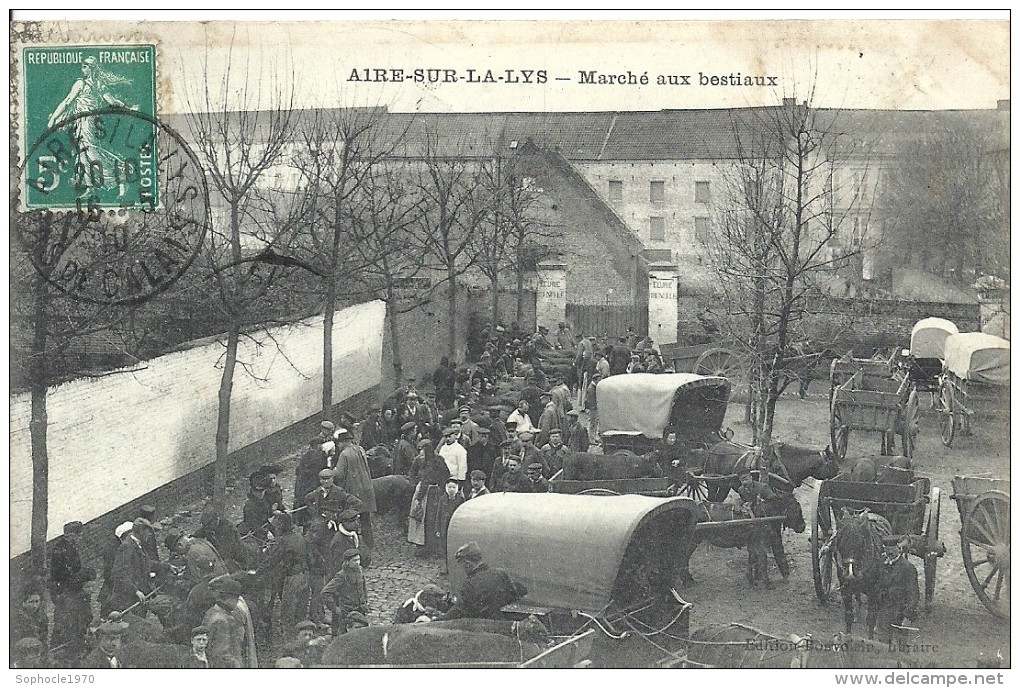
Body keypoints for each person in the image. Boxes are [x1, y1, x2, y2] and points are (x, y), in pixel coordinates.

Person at [441, 542, 528, 621]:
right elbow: (522, 590)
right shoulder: (500, 573)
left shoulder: (469, 584)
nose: (463, 569)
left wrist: (435, 621)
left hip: (480, 628)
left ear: (467, 564)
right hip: (500, 622)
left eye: (462, 565)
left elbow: (458, 611)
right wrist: (499, 602)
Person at [49, 520, 95, 659]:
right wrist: (80, 580)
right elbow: (64, 575)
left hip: (69, 589)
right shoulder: (62, 550)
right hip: (64, 591)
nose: (80, 539)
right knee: (66, 622)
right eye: (78, 535)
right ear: (71, 535)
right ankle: (61, 651)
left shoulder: (69, 547)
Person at [259, 512, 310, 632]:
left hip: (293, 577)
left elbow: (272, 561)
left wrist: (258, 572)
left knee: (288, 611)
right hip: (305, 576)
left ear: (281, 526)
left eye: (277, 526)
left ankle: (289, 639)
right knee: (301, 609)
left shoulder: (284, 541)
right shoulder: (299, 537)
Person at [333, 427, 378, 555]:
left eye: (339, 443)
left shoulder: (344, 454)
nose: (339, 446)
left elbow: (340, 475)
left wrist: (333, 470)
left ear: (343, 442)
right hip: (366, 489)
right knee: (365, 519)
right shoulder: (360, 449)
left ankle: (354, 546)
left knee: (352, 519)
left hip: (354, 491)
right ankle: (369, 544)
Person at [869, 536, 921, 644]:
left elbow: (913, 594)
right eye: (887, 549)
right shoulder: (881, 564)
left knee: (900, 645)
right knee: (883, 644)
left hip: (900, 612)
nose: (890, 552)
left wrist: (908, 616)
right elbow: (875, 589)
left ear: (898, 549)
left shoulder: (907, 568)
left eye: (892, 549)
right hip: (884, 612)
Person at [407, 438, 451, 558]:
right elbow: (412, 473)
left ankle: (429, 547)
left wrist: (418, 498)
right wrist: (415, 483)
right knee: (425, 520)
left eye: (422, 450)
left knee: (429, 520)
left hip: (429, 494)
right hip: (428, 491)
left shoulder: (435, 461)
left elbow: (442, 476)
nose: (421, 452)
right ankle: (425, 545)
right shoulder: (420, 461)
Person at [202, 576, 258, 668]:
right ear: (229, 598)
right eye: (236, 600)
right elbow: (221, 653)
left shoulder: (212, 611)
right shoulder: (221, 620)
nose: (236, 603)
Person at [322, 549, 369, 636]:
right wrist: (335, 609)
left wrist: (364, 602)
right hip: (346, 613)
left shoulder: (359, 571)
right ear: (347, 562)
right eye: (354, 560)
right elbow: (326, 592)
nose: (358, 562)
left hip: (360, 611)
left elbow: (363, 588)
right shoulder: (341, 575)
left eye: (359, 560)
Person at [436, 478, 466, 572]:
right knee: (444, 547)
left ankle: (454, 566)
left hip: (454, 526)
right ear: (446, 488)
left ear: (456, 489)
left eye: (453, 487)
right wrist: (437, 529)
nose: (451, 489)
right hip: (444, 527)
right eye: (449, 487)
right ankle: (445, 565)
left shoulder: (460, 499)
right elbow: (438, 514)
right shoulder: (442, 499)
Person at [11, 591, 48, 656]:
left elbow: (44, 637)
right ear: (23, 603)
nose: (34, 606)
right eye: (31, 602)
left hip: (38, 650)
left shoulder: (43, 617)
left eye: (37, 601)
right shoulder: (17, 617)